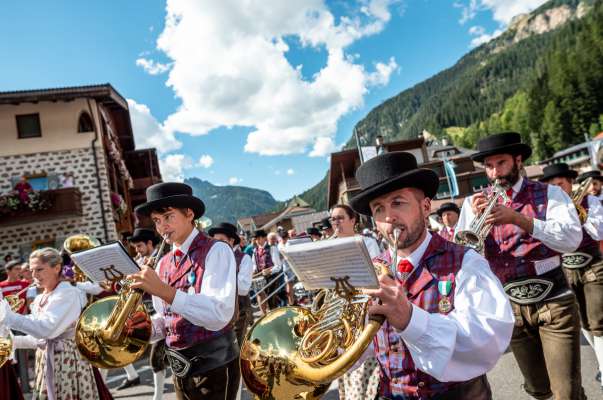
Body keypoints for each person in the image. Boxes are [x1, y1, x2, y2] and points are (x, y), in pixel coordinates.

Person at [348, 151, 514, 399]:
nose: (388, 217)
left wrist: (410, 319)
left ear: (425, 207)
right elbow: (362, 351)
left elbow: (487, 339)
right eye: (378, 209)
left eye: (398, 202)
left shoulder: (466, 261)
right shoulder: (369, 269)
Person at [457, 132, 585, 399]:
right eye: (489, 166)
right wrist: (475, 226)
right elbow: (465, 257)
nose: (494, 173)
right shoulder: (474, 203)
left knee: (567, 393)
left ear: (518, 160)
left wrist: (520, 220)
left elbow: (572, 239)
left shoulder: (549, 194)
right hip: (510, 308)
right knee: (538, 389)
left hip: (555, 302)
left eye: (501, 163)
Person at [129, 182, 238, 400]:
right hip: (180, 368)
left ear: (189, 214)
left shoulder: (216, 250)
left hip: (213, 366)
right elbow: (167, 318)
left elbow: (218, 314)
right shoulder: (163, 262)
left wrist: (163, 290)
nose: (162, 227)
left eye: (168, 217)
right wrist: (143, 329)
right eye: (157, 221)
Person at [0, 248, 109, 400]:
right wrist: (12, 342)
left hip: (69, 362)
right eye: (32, 271)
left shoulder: (67, 293)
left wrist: (8, 316)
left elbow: (46, 329)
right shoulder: (41, 297)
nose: (34, 275)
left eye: (39, 269)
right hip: (47, 360)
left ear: (57, 268)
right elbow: (40, 340)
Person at [541, 163, 603, 388]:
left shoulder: (591, 200)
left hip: (592, 266)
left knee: (599, 320)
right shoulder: (549, 207)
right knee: (584, 322)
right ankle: (601, 360)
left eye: (561, 184)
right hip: (566, 269)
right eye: (553, 186)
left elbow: (599, 232)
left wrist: (582, 215)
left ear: (570, 182)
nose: (558, 188)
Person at [328, 203, 383, 400]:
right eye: (333, 219)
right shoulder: (329, 246)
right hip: (341, 315)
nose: (336, 223)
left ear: (353, 220)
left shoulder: (366, 243)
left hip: (364, 311)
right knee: (345, 364)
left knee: (364, 364)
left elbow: (376, 276)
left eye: (340, 218)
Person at [120, 228, 167, 400]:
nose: (137, 250)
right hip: (145, 313)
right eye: (135, 247)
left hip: (162, 313)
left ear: (149, 243)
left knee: (157, 359)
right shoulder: (138, 261)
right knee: (159, 359)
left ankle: (158, 397)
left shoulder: (162, 257)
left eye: (140, 246)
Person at [208, 222, 253, 398]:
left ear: (232, 241)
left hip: (240, 312)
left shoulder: (244, 258)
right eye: (215, 241)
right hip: (219, 313)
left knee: (234, 358)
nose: (217, 245)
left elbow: (243, 288)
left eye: (221, 241)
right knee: (221, 358)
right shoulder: (214, 260)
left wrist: (224, 272)